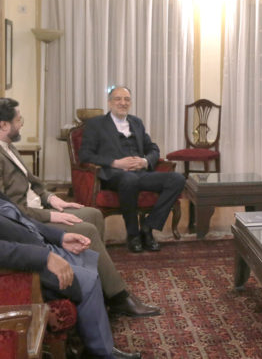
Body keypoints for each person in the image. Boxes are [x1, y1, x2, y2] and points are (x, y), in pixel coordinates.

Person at [0, 125, 140, 359]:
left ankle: (93, 341)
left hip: (29, 247)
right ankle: (102, 353)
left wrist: (59, 237)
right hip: (6, 270)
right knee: (88, 280)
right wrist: (43, 257)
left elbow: (18, 216)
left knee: (89, 259)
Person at [0, 97, 159, 317]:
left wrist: (53, 199)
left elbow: (32, 184)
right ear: (4, 125)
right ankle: (119, 297)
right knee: (87, 230)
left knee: (94, 214)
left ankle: (98, 283)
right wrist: (50, 216)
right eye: (19, 119)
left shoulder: (7, 147)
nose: (22, 123)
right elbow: (7, 209)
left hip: (39, 206)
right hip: (28, 219)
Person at [79, 86, 185, 253]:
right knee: (129, 179)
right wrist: (115, 163)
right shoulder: (96, 124)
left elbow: (153, 149)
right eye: (118, 99)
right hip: (115, 175)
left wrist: (145, 161)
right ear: (109, 103)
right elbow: (85, 155)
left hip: (141, 173)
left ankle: (148, 227)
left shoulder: (136, 122)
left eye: (127, 99)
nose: (123, 103)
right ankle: (133, 234)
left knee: (178, 179)